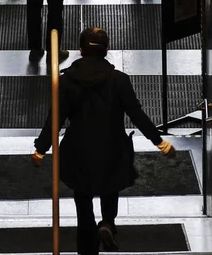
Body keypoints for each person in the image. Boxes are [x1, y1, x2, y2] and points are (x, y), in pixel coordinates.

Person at [32, 27, 176, 255]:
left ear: (80, 49)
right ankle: (107, 223)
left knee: (82, 196)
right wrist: (160, 142)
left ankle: (88, 242)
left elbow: (55, 118)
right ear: (106, 50)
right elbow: (137, 114)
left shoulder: (66, 82)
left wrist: (41, 149)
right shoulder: (119, 80)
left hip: (78, 149)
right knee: (111, 186)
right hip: (112, 146)